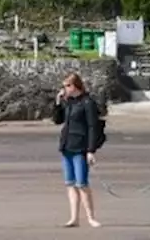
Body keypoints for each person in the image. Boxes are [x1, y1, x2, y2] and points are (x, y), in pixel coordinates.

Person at [52, 72, 103, 228]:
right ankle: (74, 218)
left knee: (82, 184)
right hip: (67, 145)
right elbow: (57, 120)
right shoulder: (69, 102)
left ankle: (91, 218)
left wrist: (91, 150)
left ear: (75, 86)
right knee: (70, 184)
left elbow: (93, 127)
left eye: (67, 86)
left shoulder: (88, 103)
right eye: (64, 86)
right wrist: (58, 103)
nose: (64, 89)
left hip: (81, 147)